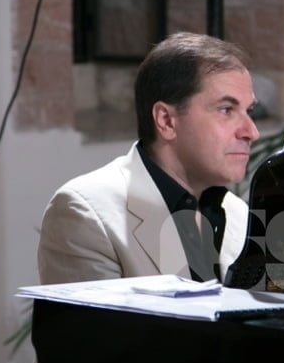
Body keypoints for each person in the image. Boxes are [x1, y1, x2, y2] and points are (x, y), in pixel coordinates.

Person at [38, 32, 260, 284]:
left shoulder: (239, 214)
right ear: (166, 121)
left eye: (249, 111)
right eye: (226, 110)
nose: (251, 132)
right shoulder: (86, 214)